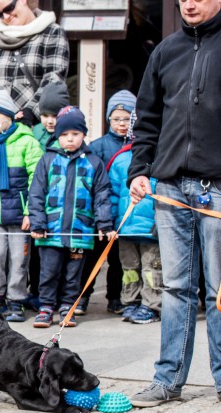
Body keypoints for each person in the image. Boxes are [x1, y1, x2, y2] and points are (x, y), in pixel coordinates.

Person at [127, 0, 221, 408]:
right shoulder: (165, 50)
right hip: (169, 187)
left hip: (217, 187)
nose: (189, 3)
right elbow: (146, 117)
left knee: (220, 292)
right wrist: (139, 169)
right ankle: (168, 381)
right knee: (176, 288)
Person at [27, 107, 113, 329]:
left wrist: (104, 224)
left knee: (74, 274)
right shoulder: (47, 160)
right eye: (64, 135)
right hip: (50, 231)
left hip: (80, 231)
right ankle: (46, 307)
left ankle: (68, 306)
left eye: (75, 134)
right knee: (49, 271)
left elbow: (102, 196)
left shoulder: (94, 162)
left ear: (83, 134)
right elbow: (36, 193)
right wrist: (37, 222)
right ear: (58, 136)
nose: (70, 139)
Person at [0, 90, 42, 323]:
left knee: (19, 258)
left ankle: (16, 299)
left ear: (8, 115)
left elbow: (37, 179)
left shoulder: (27, 142)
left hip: (19, 215)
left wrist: (30, 211)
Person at [78, 89, 136, 316]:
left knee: (118, 261)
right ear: (108, 119)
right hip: (100, 213)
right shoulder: (98, 146)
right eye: (117, 119)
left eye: (127, 118)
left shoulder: (138, 146)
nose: (122, 124)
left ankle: (115, 298)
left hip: (123, 214)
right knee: (92, 259)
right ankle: (82, 297)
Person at [0, 0, 68, 127]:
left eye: (8, 8)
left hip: (35, 129)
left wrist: (29, 113)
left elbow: (53, 80)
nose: (5, 16)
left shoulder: (52, 33)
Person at [108, 124, 161, 325]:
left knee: (152, 269)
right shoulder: (120, 160)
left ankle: (152, 305)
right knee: (129, 269)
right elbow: (112, 194)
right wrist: (112, 223)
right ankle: (131, 301)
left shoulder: (162, 158)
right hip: (126, 228)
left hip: (152, 230)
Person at [31, 82, 67, 150]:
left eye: (55, 116)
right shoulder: (36, 130)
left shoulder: (71, 135)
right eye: (45, 115)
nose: (50, 121)